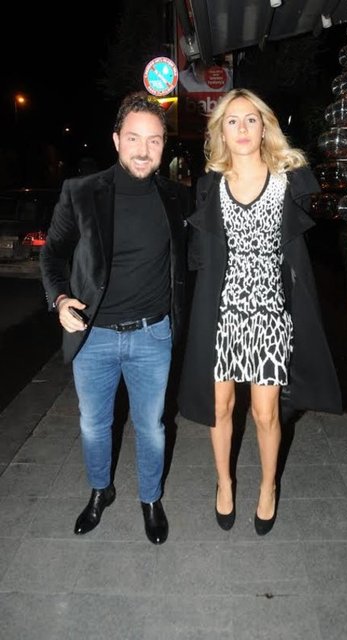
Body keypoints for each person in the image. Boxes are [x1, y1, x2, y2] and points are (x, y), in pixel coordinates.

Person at [178, 88, 342, 535]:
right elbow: (198, 257)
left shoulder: (290, 182)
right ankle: (224, 483)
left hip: (270, 310)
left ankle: (268, 486)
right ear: (221, 132)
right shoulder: (209, 187)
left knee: (266, 412)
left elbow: (303, 255)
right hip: (221, 312)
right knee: (220, 406)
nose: (242, 128)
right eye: (232, 121)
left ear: (265, 126)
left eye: (251, 119)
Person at [40, 92, 190, 544]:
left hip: (152, 335)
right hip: (94, 336)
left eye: (154, 140)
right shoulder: (81, 192)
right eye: (134, 138)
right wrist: (60, 300)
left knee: (151, 427)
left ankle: (150, 498)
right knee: (93, 425)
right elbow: (52, 255)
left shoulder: (176, 198)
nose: (144, 150)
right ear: (116, 140)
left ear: (164, 145)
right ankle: (100, 490)